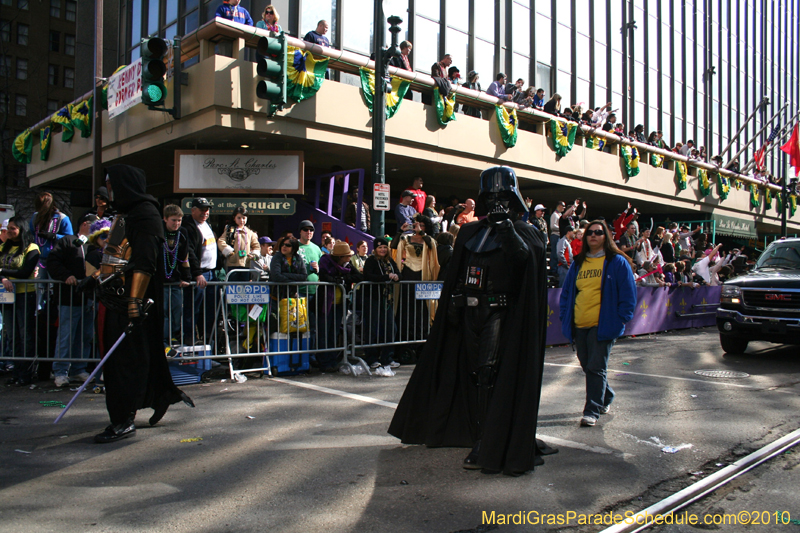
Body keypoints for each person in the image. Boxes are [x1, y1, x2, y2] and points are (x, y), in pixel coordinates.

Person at [389, 166, 553, 476]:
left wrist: (506, 228)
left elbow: (522, 262)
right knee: (472, 372)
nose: (495, 203)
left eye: (501, 197)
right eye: (489, 197)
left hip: (500, 313)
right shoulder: (471, 233)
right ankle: (477, 432)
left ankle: (488, 439)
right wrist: (453, 300)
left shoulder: (525, 232)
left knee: (488, 374)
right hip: (468, 311)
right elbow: (457, 272)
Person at [90, 165, 194, 443]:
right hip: (115, 297)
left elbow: (146, 262)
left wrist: (134, 302)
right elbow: (115, 256)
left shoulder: (146, 214)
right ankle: (157, 396)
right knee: (128, 358)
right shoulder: (126, 214)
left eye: (112, 185)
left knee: (125, 362)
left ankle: (123, 418)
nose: (109, 191)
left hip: (131, 301)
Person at [559, 220, 637, 428]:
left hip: (603, 325)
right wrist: (564, 315)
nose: (593, 235)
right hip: (579, 323)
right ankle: (606, 395)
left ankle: (592, 410)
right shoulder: (578, 262)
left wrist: (621, 318)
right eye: (590, 233)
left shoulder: (617, 262)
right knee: (588, 365)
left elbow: (628, 294)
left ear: (606, 236)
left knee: (596, 366)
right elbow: (567, 293)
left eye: (598, 232)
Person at [47, 212, 97, 387]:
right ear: (84, 224)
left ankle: (78, 369)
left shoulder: (94, 246)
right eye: (94, 226)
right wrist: (66, 275)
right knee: (66, 336)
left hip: (89, 299)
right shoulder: (67, 241)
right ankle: (60, 371)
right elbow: (52, 262)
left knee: (85, 335)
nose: (98, 230)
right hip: (69, 297)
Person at [0, 217, 40, 385]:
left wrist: (2, 271)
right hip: (7, 297)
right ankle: (16, 372)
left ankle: (26, 373)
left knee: (25, 335)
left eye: (13, 228)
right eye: (8, 228)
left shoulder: (32, 248)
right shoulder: (3, 247)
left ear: (21, 229)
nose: (9, 230)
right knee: (12, 334)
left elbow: (25, 272)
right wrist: (3, 278)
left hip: (25, 295)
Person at [318, 242, 362, 371]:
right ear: (340, 257)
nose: (349, 258)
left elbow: (359, 276)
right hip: (326, 303)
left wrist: (342, 278)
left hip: (339, 304)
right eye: (347, 256)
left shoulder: (347, 265)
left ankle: (332, 360)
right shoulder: (326, 261)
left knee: (334, 332)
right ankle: (324, 362)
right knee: (324, 333)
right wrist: (339, 278)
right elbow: (324, 275)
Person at [396, 214, 440, 340]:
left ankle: (422, 335)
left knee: (422, 308)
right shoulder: (406, 238)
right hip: (408, 274)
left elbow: (432, 246)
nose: (418, 227)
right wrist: (400, 231)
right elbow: (394, 246)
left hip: (423, 275)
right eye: (417, 224)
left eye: (422, 225)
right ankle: (405, 336)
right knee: (406, 305)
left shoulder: (429, 239)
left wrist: (421, 232)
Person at [181, 197, 219, 345]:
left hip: (211, 273)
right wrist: (197, 273)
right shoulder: (188, 226)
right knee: (193, 309)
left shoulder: (206, 225)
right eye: (202, 209)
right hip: (199, 274)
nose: (205, 212)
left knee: (209, 311)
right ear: (193, 210)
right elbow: (189, 252)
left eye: (207, 210)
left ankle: (208, 340)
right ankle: (189, 339)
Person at [360, 237, 400, 369]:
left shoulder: (390, 261)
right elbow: (368, 276)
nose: (382, 250)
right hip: (373, 298)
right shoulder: (371, 260)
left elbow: (398, 273)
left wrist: (396, 277)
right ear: (375, 249)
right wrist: (386, 277)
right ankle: (371, 358)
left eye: (384, 247)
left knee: (390, 328)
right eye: (380, 247)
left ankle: (387, 358)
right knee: (372, 328)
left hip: (387, 299)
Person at [30, 191, 74, 309]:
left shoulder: (62, 218)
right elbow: (32, 233)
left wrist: (54, 236)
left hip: (55, 260)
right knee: (39, 288)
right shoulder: (35, 217)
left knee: (53, 288)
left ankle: (54, 312)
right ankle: (39, 313)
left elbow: (70, 238)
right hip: (39, 259)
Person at [161, 205, 191, 349]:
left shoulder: (183, 233)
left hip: (176, 280)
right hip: (162, 281)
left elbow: (184, 258)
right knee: (164, 312)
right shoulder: (159, 232)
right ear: (165, 219)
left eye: (179, 220)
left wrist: (186, 277)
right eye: (173, 220)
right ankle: (164, 340)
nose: (176, 224)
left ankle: (174, 336)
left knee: (177, 310)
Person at [217, 206, 260, 275]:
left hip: (246, 264)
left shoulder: (250, 232)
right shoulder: (230, 230)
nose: (241, 220)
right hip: (232, 263)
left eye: (244, 218)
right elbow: (220, 241)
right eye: (239, 218)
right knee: (232, 284)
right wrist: (230, 252)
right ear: (234, 218)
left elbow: (256, 246)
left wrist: (254, 255)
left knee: (243, 284)